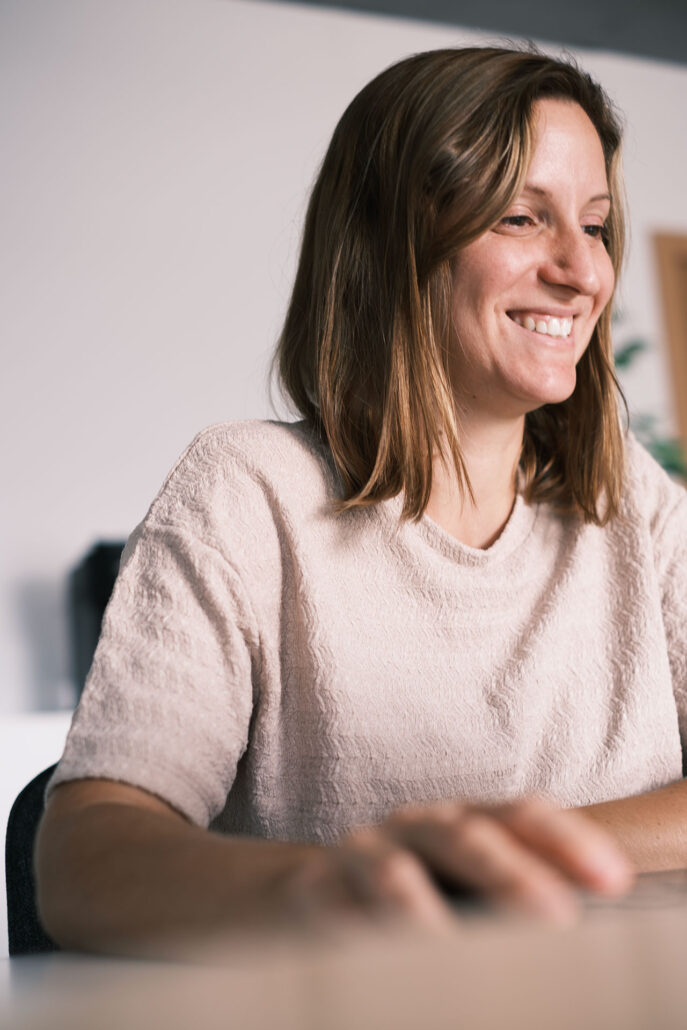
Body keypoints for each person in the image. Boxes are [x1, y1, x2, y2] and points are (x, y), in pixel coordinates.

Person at [36, 45, 687, 956]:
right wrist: (330, 882)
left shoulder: (632, 500)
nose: (583, 271)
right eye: (518, 218)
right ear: (392, 244)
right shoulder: (245, 493)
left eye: (595, 224)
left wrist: (494, 852)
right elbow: (81, 857)